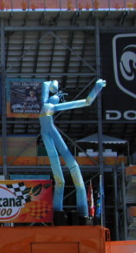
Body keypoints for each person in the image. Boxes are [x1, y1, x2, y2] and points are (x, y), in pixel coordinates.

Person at [39, 79, 106, 217]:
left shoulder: (51, 106)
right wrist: (54, 85)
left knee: (65, 166)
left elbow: (87, 102)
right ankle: (61, 211)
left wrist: (98, 87)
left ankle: (81, 211)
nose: (56, 97)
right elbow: (45, 84)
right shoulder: (46, 103)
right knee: (61, 174)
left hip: (48, 131)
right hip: (47, 132)